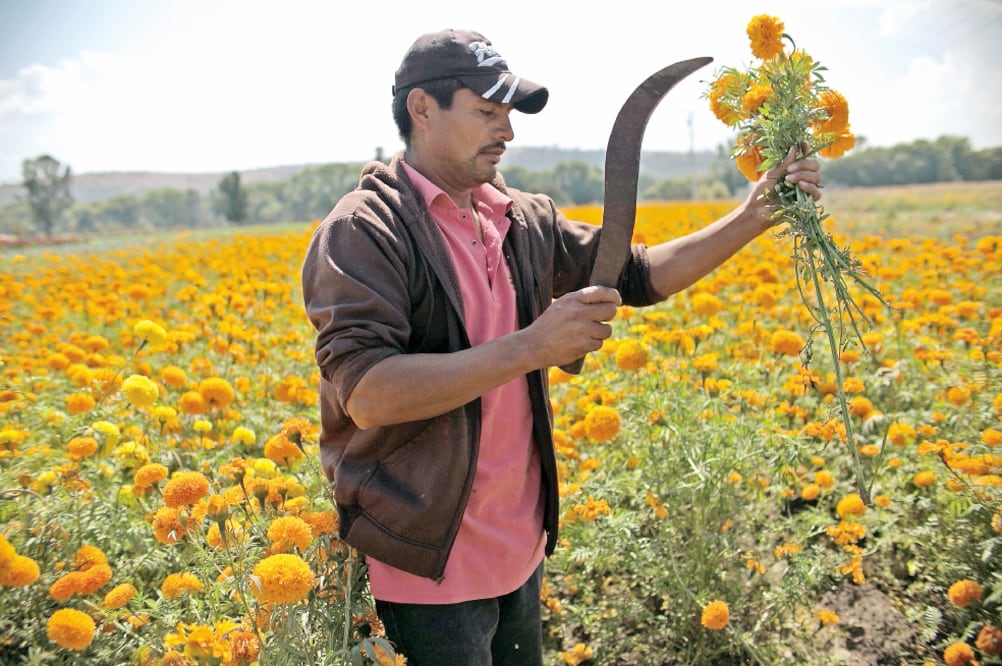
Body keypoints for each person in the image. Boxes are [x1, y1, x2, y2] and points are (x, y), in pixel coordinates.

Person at [301, 27, 822, 666]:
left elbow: (635, 275)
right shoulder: (365, 229)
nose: (506, 131)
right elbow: (370, 394)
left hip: (519, 545)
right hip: (423, 560)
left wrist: (754, 216)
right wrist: (531, 346)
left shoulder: (519, 217)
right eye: (486, 112)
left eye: (508, 114)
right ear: (422, 109)